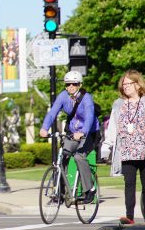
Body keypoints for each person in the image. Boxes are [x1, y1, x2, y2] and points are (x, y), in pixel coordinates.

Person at [101, 69, 145, 224]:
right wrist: (106, 146)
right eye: (124, 84)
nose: (126, 87)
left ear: (138, 85)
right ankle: (129, 217)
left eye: (129, 83)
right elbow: (112, 128)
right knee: (129, 184)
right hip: (126, 151)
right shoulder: (118, 104)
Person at [40, 70, 100, 204]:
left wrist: (83, 132)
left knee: (79, 156)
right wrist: (44, 128)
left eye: (74, 84)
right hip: (73, 132)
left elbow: (90, 117)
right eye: (68, 84)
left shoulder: (86, 98)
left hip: (89, 133)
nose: (71, 87)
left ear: (79, 84)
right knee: (63, 156)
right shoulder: (63, 96)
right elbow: (52, 113)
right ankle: (60, 193)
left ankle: (89, 189)